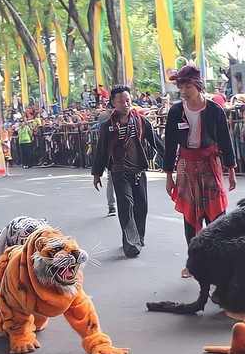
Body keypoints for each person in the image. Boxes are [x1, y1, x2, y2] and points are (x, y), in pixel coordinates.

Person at [163, 64, 236, 278]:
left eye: (187, 86)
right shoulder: (176, 111)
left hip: (210, 164)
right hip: (185, 166)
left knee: (217, 216)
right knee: (190, 216)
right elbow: (169, 145)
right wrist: (169, 176)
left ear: (198, 86)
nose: (183, 91)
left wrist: (231, 170)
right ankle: (193, 262)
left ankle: (219, 261)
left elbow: (225, 141)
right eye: (180, 87)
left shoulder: (214, 110)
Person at [92, 85, 164, 258]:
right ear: (113, 103)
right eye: (120, 101)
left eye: (127, 101)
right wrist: (97, 173)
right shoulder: (107, 125)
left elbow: (156, 142)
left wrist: (169, 161)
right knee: (125, 206)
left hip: (138, 170)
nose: (125, 104)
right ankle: (131, 244)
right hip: (118, 171)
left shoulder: (140, 121)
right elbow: (101, 150)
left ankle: (138, 236)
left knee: (142, 206)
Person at [96, 102, 116, 217]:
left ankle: (111, 206)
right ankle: (113, 206)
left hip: (108, 151)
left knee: (111, 180)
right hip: (114, 152)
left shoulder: (102, 115)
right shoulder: (111, 116)